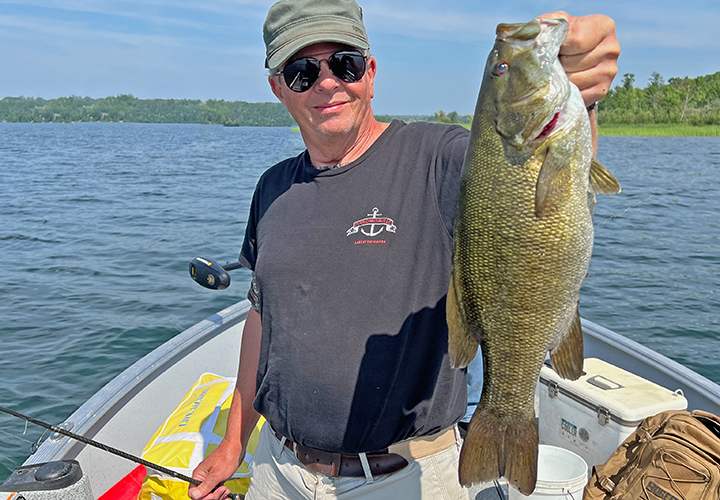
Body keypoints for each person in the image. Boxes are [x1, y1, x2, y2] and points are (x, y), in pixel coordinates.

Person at [189, 1, 620, 499]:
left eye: (344, 63)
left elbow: (536, 179)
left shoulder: (439, 157)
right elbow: (262, 317)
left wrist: (581, 91)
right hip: (278, 468)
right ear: (278, 88)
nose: (327, 82)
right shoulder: (272, 189)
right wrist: (233, 442)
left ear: (370, 72)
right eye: (303, 71)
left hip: (407, 475)